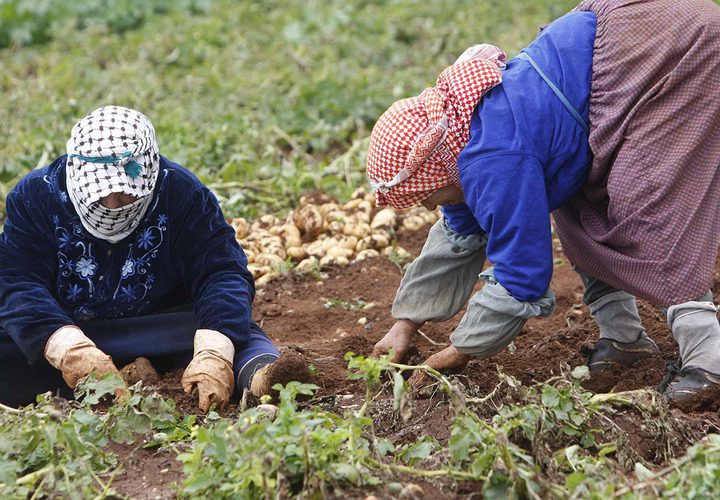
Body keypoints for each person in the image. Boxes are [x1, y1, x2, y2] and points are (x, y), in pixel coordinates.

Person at [366, 0, 720, 405]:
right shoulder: (464, 140)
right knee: (576, 209)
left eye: (425, 197)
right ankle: (625, 339)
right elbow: (457, 237)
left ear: (435, 170)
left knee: (647, 203)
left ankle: (709, 360)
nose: (429, 206)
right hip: (630, 48)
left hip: (666, 51)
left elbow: (522, 274)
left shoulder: (492, 160)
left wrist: (461, 350)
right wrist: (404, 325)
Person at [0, 105, 305, 410]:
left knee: (233, 330)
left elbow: (222, 271)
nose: (112, 204)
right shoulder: (35, 197)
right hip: (68, 326)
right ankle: (118, 372)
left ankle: (264, 379)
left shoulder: (181, 192)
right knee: (13, 345)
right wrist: (69, 349)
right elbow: (17, 282)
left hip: (162, 328)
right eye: (101, 194)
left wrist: (214, 351)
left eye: (124, 194)